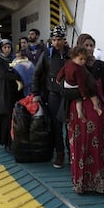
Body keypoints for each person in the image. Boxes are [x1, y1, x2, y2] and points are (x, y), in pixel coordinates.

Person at [65, 33, 104, 194]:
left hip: (96, 112)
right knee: (78, 145)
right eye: (86, 45)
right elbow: (62, 89)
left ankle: (98, 183)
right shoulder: (72, 66)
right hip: (77, 112)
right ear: (79, 47)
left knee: (97, 146)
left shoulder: (100, 66)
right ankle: (80, 183)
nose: (89, 49)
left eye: (92, 45)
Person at [32, 26, 70, 168]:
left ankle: (72, 153)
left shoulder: (70, 54)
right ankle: (60, 153)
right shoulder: (47, 54)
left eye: (59, 39)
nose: (56, 42)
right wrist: (36, 93)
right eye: (54, 40)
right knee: (56, 126)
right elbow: (37, 74)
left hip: (69, 95)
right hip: (54, 95)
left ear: (63, 40)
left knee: (70, 126)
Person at [0, 39, 23, 151]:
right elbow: (3, 74)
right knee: (5, 118)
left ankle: (12, 141)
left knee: (12, 117)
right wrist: (18, 76)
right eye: (5, 47)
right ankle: (7, 143)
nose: (7, 50)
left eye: (9, 47)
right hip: (3, 92)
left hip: (13, 91)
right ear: (0, 48)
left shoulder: (12, 60)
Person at [56, 45, 102, 122]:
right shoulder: (79, 69)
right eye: (81, 59)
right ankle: (96, 106)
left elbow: (62, 71)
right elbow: (81, 83)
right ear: (73, 57)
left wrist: (58, 79)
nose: (83, 61)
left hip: (67, 85)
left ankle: (80, 113)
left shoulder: (68, 63)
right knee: (91, 92)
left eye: (84, 59)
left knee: (78, 99)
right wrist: (84, 94)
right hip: (74, 86)